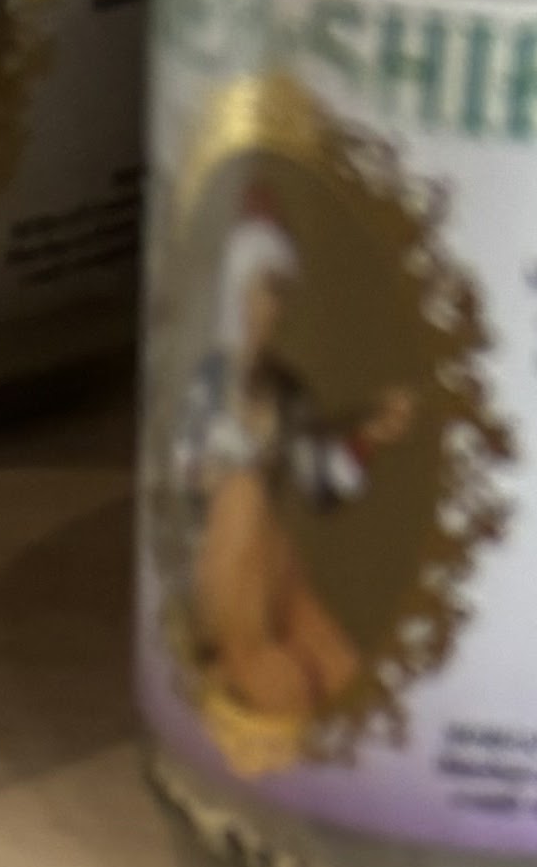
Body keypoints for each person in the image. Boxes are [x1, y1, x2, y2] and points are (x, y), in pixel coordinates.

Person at [170, 197, 414, 765]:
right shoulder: (205, 383)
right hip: (216, 573)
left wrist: (368, 437)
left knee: (339, 669)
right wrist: (212, 475)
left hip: (274, 569)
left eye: (277, 294)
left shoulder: (287, 392)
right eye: (259, 291)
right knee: (244, 494)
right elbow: (180, 473)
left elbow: (320, 485)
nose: (268, 309)